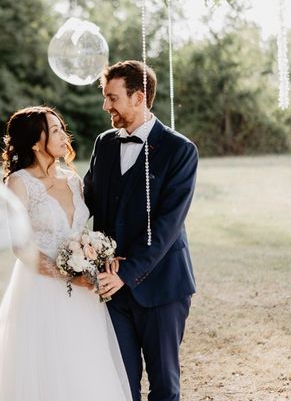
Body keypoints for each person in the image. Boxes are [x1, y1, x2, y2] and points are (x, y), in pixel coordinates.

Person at [0, 106, 132, 401]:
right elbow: (20, 247)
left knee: (84, 364)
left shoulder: (72, 180)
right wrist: (69, 274)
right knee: (44, 366)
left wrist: (96, 255)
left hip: (83, 293)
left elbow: (81, 231)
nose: (64, 135)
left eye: (62, 128)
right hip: (40, 289)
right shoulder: (18, 182)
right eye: (55, 130)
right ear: (35, 142)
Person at [84, 61, 198, 401]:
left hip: (163, 287)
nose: (106, 106)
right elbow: (87, 200)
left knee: (164, 386)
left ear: (139, 97)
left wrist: (127, 272)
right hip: (112, 291)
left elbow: (167, 226)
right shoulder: (104, 144)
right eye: (105, 98)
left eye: (112, 98)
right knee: (118, 383)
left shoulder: (180, 151)